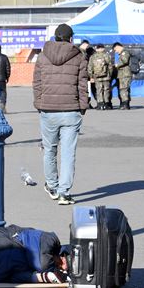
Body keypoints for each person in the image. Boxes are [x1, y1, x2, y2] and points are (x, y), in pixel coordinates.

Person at [32, 23, 87, 206]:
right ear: (71, 39)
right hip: (71, 110)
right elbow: (82, 84)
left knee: (49, 149)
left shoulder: (42, 56)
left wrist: (39, 104)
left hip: (48, 110)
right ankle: (64, 193)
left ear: (55, 38)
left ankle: (53, 186)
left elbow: (37, 84)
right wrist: (83, 107)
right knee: (68, 152)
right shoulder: (79, 56)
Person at [88, 44, 113, 110]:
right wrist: (110, 75)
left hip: (96, 77)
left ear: (97, 49)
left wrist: (91, 77)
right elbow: (110, 66)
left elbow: (90, 67)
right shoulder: (106, 55)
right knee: (106, 90)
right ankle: (106, 104)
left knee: (98, 90)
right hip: (106, 76)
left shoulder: (93, 57)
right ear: (103, 48)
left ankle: (100, 104)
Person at [113, 42, 132, 110]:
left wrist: (116, 65)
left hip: (125, 74)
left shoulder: (124, 53)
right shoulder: (122, 53)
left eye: (115, 50)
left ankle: (125, 104)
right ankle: (125, 103)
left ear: (118, 46)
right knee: (124, 89)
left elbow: (125, 61)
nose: (116, 51)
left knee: (124, 89)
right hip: (122, 74)